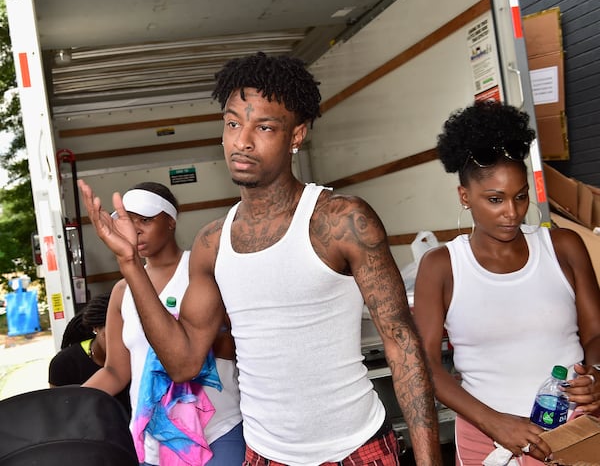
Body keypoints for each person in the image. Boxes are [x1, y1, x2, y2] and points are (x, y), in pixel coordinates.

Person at [78, 51, 441, 466]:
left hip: (356, 449)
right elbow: (182, 363)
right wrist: (129, 264)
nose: (242, 140)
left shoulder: (341, 221)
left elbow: (402, 343)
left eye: (263, 127)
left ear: (297, 135)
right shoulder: (213, 243)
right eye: (233, 123)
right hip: (265, 456)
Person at [412, 100, 600, 465]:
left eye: (520, 196)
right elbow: (424, 365)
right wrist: (495, 423)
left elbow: (595, 334)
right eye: (495, 200)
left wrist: (595, 375)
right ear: (465, 197)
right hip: (489, 439)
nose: (512, 213)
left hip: (575, 427)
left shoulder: (562, 247)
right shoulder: (442, 267)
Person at [81, 182, 245, 466]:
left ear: (171, 220)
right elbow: (115, 371)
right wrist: (66, 405)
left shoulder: (204, 270)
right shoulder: (122, 291)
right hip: (154, 439)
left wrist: (196, 340)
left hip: (218, 429)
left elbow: (240, 344)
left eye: (145, 220)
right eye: (126, 222)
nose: (135, 230)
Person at [48, 292, 131, 417]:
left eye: (128, 333)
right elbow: (59, 414)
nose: (122, 341)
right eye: (115, 333)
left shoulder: (137, 358)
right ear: (96, 328)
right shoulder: (64, 364)